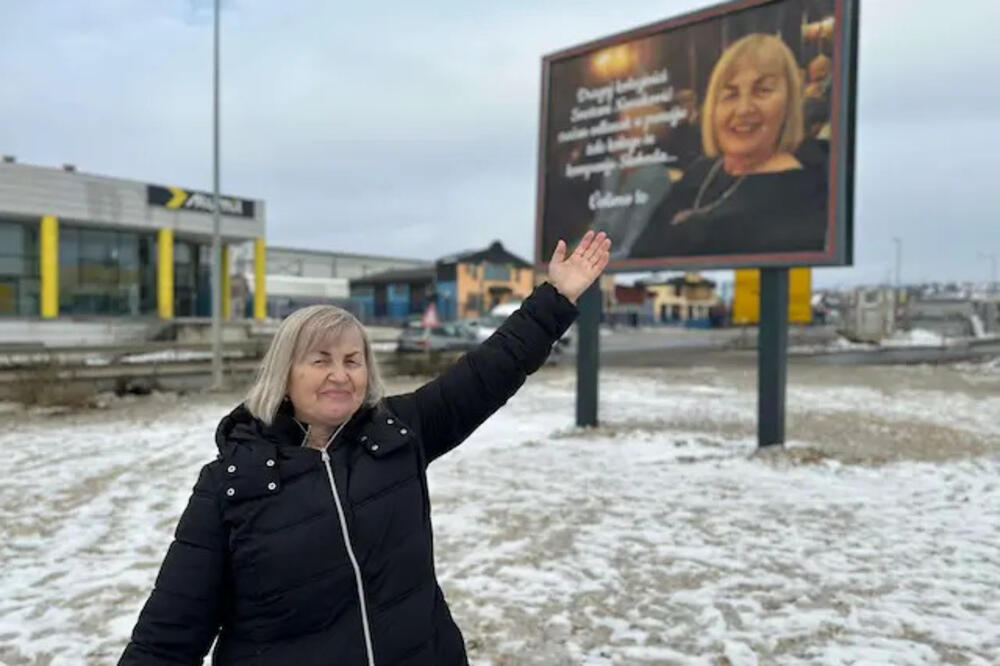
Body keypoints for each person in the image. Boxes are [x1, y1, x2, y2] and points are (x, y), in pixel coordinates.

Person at [118, 231, 612, 666]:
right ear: (284, 376)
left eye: (353, 360)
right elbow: (167, 637)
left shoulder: (397, 433)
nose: (341, 374)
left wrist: (557, 298)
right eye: (320, 359)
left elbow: (488, 372)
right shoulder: (229, 482)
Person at [631, 33, 828, 258]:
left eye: (762, 91)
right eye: (730, 94)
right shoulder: (700, 173)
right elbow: (639, 256)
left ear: (789, 103)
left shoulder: (807, 192)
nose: (743, 109)